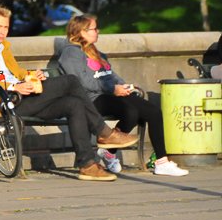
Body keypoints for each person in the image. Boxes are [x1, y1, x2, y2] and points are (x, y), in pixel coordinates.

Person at [0, 5, 139, 182]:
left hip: (23, 99)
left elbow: (14, 73)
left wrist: (30, 75)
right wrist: (13, 88)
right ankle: (104, 133)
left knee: (74, 104)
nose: (3, 31)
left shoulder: (2, 47)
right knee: (71, 81)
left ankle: (87, 164)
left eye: (6, 27)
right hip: (4, 104)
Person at [59, 14, 189, 177]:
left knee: (152, 111)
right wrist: (113, 89)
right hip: (91, 99)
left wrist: (124, 86)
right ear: (82, 31)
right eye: (94, 28)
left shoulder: (96, 52)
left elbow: (110, 75)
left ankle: (161, 162)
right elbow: (81, 82)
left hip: (108, 93)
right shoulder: (71, 52)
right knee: (131, 111)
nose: (98, 31)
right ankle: (109, 149)